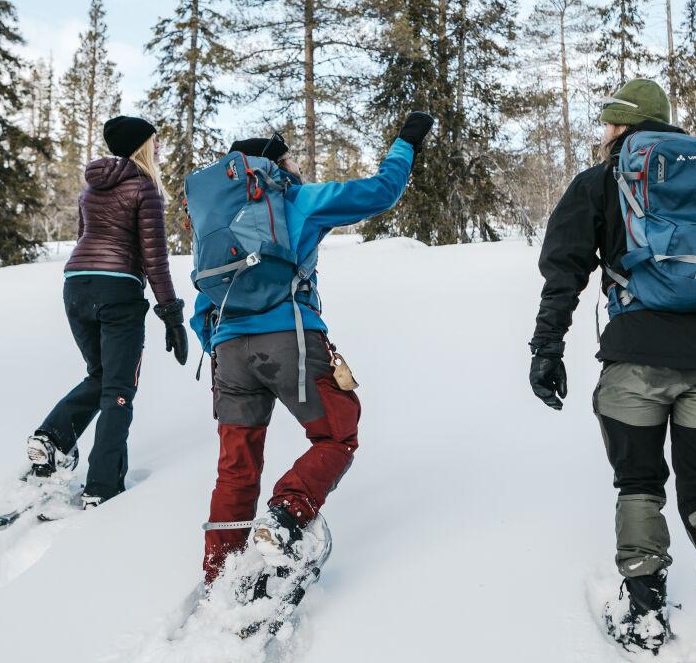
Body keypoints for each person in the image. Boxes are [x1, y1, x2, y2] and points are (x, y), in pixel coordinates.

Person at [528, 78, 696, 663]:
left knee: (638, 483)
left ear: (621, 127)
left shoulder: (601, 182)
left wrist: (547, 349)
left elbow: (564, 270)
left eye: (607, 122)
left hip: (633, 361)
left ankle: (644, 608)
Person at [192, 113, 433, 585]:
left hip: (228, 352)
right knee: (336, 435)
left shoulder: (213, 226)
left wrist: (221, 347)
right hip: (291, 340)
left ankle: (220, 572)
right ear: (275, 165)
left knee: (236, 467)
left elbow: (203, 304)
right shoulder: (295, 200)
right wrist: (406, 142)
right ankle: (285, 517)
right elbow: (381, 191)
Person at [28, 116, 189, 509]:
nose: (159, 148)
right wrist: (171, 314)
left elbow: (87, 238)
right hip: (118, 291)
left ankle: (51, 438)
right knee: (119, 390)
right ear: (141, 146)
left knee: (102, 377)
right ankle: (103, 486)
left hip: (76, 288)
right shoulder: (145, 188)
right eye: (155, 141)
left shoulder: (90, 188)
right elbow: (155, 257)